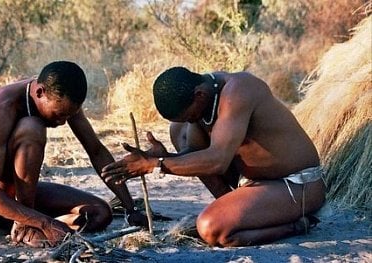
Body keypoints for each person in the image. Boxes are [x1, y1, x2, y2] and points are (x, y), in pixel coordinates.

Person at [102, 67, 326, 247]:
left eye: (191, 116)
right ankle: (234, 210)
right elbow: (198, 156)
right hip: (257, 185)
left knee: (210, 228)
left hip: (296, 185)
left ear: (199, 95)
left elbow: (217, 160)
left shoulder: (239, 91)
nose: (192, 121)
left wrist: (156, 165)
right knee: (177, 131)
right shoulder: (206, 96)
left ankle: (295, 226)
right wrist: (165, 157)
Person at [0, 61, 145, 248]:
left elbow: (96, 151)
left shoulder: (63, 98)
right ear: (40, 92)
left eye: (69, 115)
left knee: (100, 213)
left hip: (13, 195)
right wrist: (45, 222)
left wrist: (130, 207)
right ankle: (27, 224)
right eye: (59, 115)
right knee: (32, 127)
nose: (62, 122)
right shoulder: (3, 106)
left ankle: (20, 220)